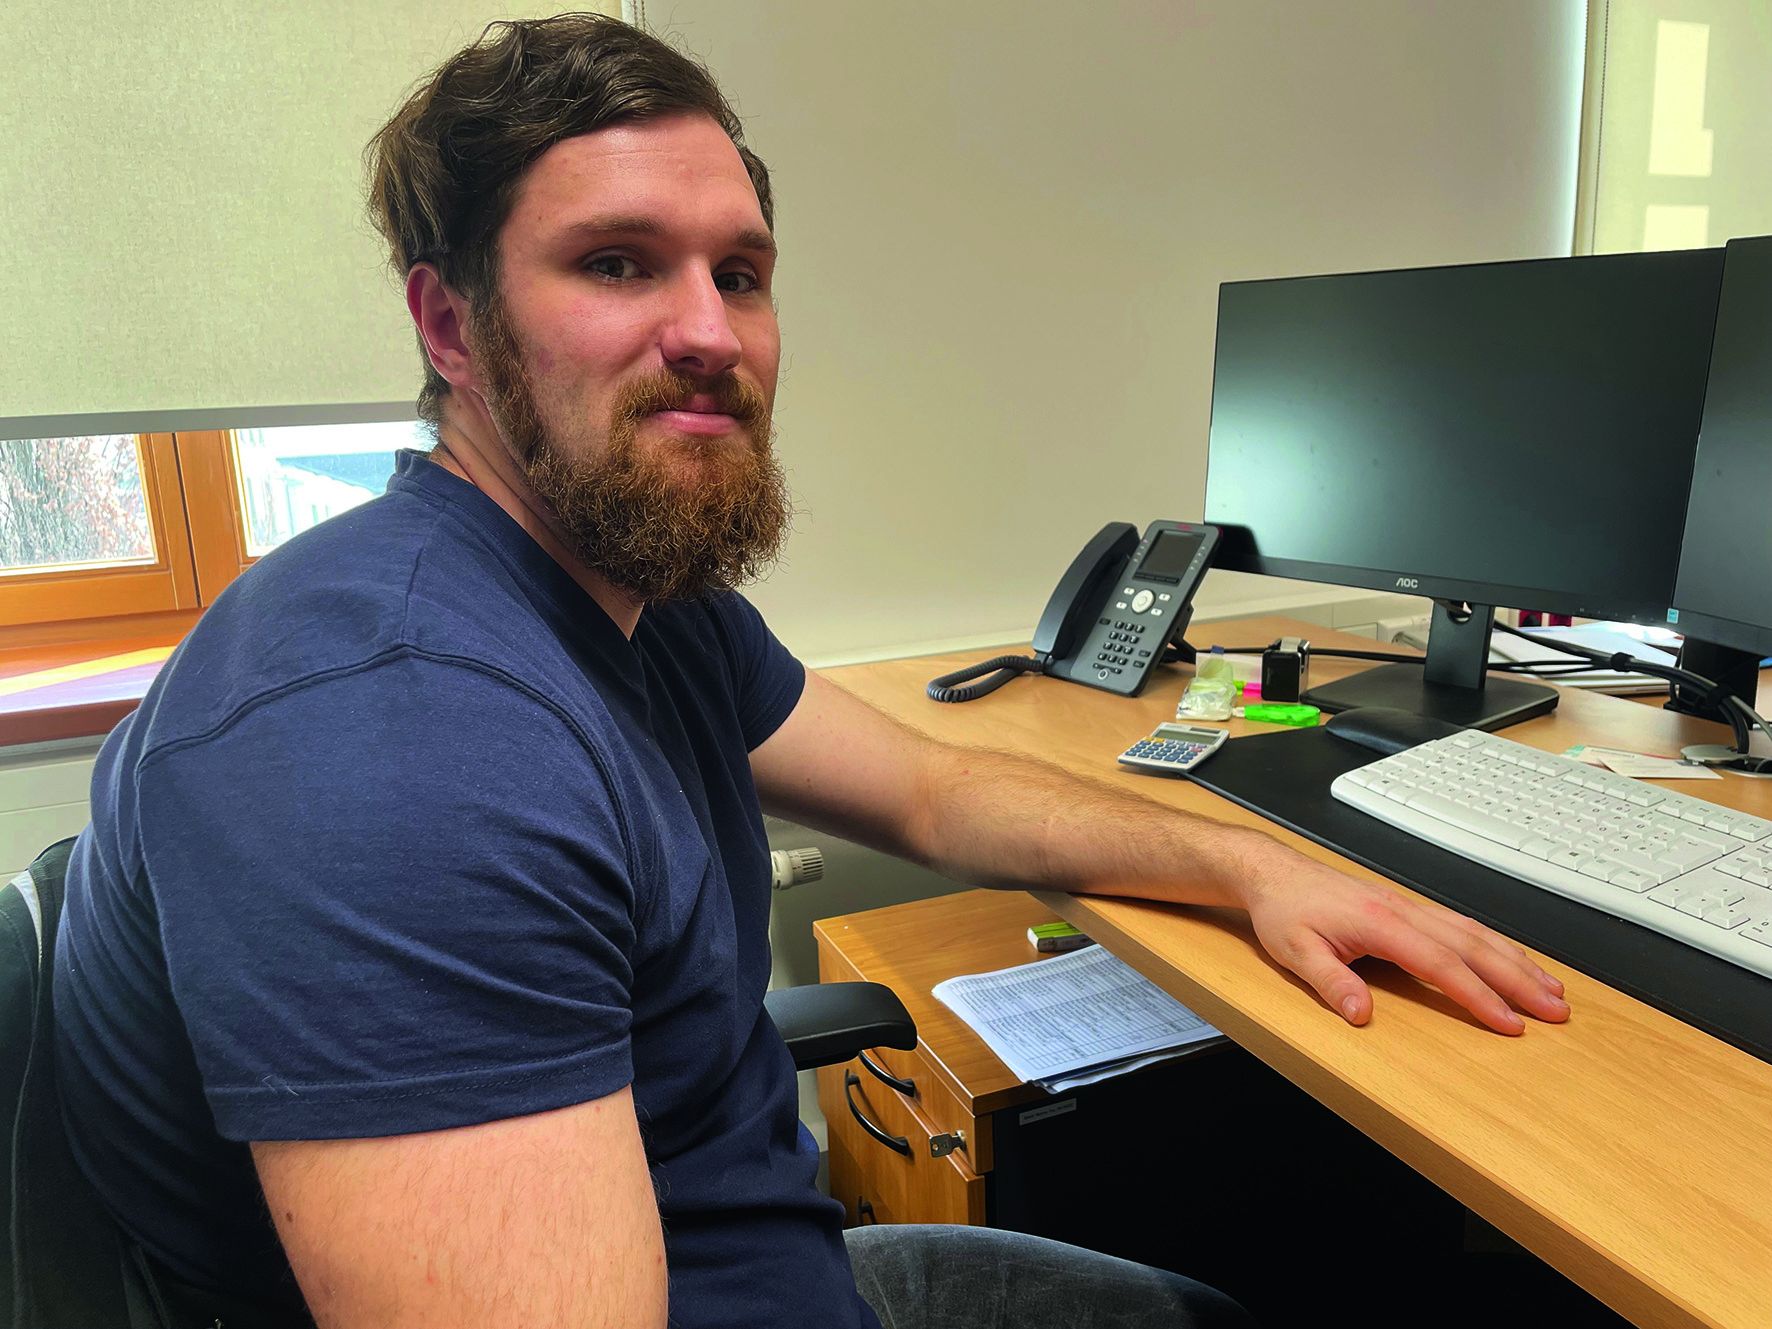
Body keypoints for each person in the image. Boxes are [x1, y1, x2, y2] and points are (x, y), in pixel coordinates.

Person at [54, 14, 1570, 1328]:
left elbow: (933, 789)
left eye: (741, 272)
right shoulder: (394, 740)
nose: (710, 332)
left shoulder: (633, 589)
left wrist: (1250, 866)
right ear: (452, 323)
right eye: (617, 264)